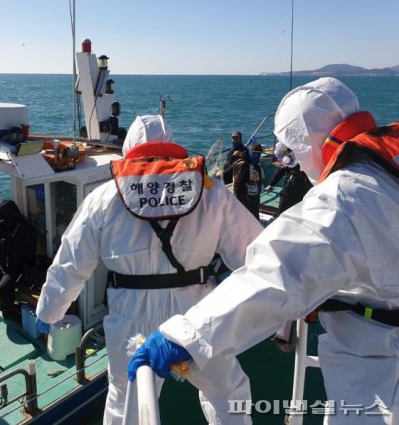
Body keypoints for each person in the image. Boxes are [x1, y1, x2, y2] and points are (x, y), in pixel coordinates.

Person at [128, 77, 399, 423]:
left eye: (292, 151)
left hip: (381, 366)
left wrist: (184, 337)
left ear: (308, 140)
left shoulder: (344, 197)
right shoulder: (383, 167)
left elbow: (275, 273)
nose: (296, 165)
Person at [35, 115, 263, 425]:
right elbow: (255, 254)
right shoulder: (210, 191)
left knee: (125, 404)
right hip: (196, 314)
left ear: (129, 151)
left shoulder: (104, 197)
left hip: (130, 320)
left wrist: (49, 312)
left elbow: (70, 263)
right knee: (227, 392)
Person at [264, 151, 313, 216]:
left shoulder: (312, 159)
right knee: (282, 210)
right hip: (290, 187)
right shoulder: (293, 157)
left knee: (298, 212)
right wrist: (272, 184)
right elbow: (281, 171)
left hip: (304, 189)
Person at [232, 143, 265, 219]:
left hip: (255, 197)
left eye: (258, 154)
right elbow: (237, 185)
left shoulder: (259, 168)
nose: (256, 156)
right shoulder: (243, 165)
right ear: (250, 153)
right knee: (244, 217)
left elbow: (261, 180)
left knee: (255, 216)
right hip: (246, 196)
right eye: (254, 154)